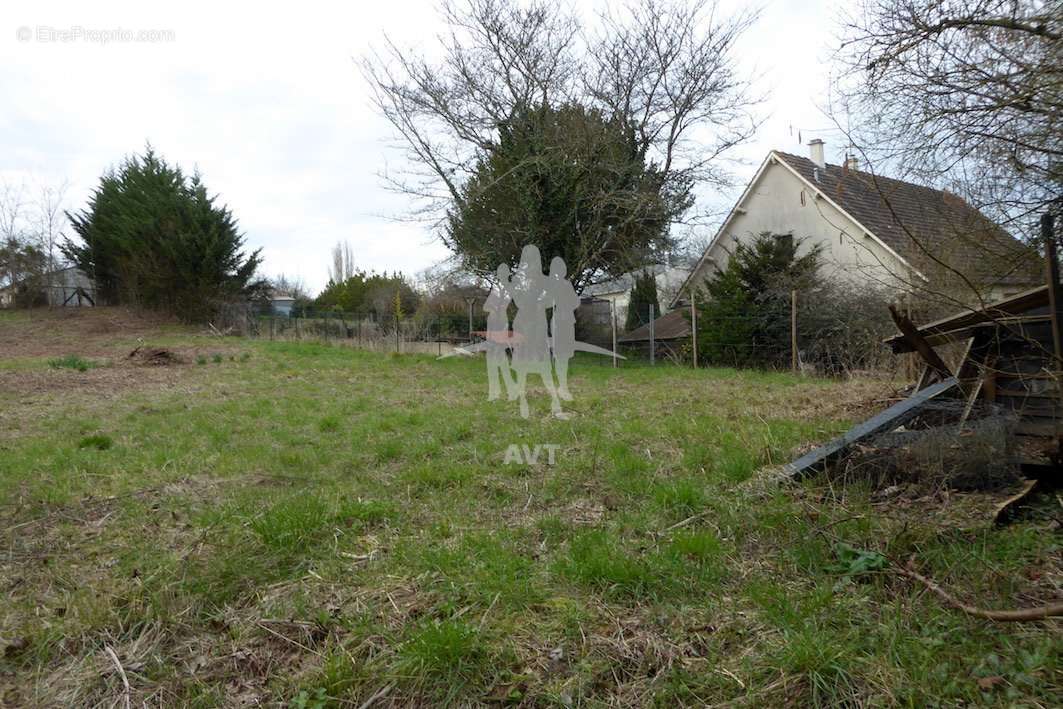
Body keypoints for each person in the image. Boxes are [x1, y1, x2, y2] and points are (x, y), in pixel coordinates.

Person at [509, 245, 561, 418]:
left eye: (533, 259)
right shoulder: (520, 280)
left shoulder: (544, 280)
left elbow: (551, 299)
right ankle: (521, 395)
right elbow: (517, 301)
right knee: (522, 360)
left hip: (537, 325)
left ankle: (554, 399)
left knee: (542, 360)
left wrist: (542, 302)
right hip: (524, 324)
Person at [547, 256, 578, 401]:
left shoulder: (567, 285)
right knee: (559, 355)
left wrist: (566, 302)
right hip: (558, 322)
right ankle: (561, 385)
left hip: (567, 321)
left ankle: (563, 385)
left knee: (565, 355)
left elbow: (576, 302)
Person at [484, 263, 516, 401]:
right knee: (494, 365)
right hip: (492, 331)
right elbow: (486, 307)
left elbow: (506, 309)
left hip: (501, 330)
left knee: (501, 364)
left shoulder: (509, 291)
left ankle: (509, 391)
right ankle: (495, 394)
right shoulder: (495, 290)